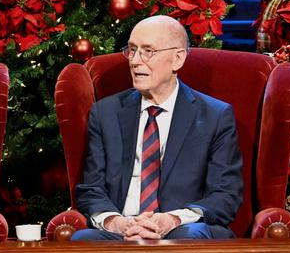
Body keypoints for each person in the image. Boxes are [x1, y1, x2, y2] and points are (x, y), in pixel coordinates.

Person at [72, 15, 242, 241]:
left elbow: (225, 195)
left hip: (182, 229)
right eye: (132, 50)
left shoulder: (215, 116)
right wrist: (118, 223)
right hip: (123, 231)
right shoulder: (105, 113)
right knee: (83, 240)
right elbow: (91, 189)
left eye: (147, 51)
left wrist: (171, 219)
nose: (134, 61)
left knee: (189, 237)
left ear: (177, 59)